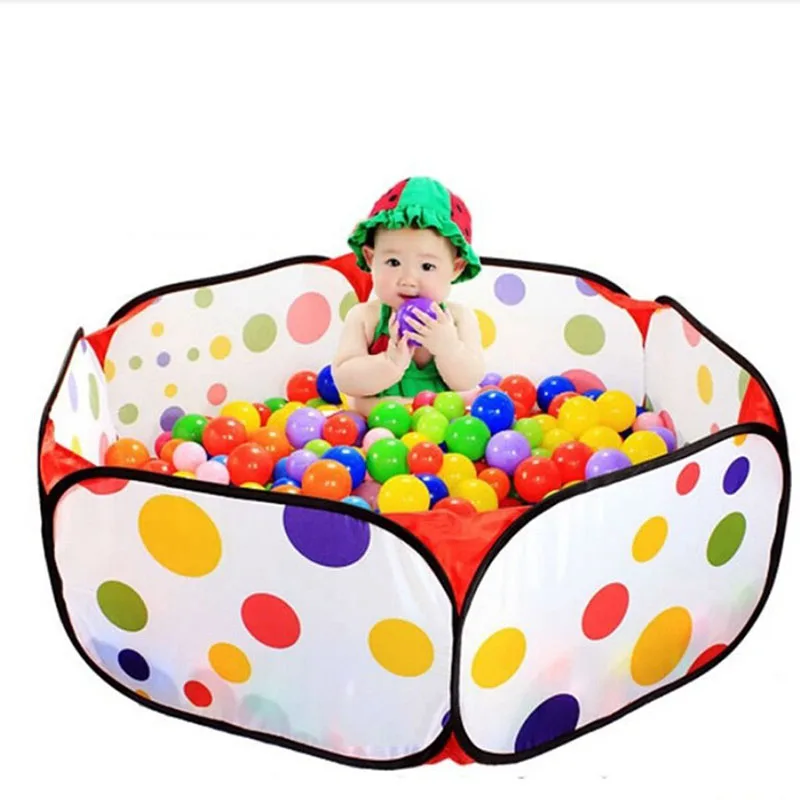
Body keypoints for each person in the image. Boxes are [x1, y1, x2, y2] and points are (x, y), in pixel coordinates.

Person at [332, 176, 486, 416]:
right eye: (393, 262)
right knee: (358, 407)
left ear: (456, 268)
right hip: (381, 421)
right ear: (371, 259)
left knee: (474, 396)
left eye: (427, 266)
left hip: (444, 423)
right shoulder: (365, 317)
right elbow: (344, 379)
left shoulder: (458, 318)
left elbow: (469, 379)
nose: (408, 279)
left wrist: (448, 348)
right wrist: (390, 362)